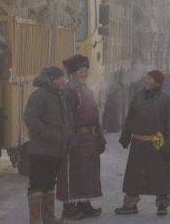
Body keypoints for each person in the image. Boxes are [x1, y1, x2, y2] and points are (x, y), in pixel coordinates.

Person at [115, 70, 170, 216]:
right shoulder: (138, 96)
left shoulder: (167, 100)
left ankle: (162, 204)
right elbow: (130, 117)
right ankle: (130, 204)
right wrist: (125, 137)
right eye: (147, 77)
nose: (146, 80)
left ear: (158, 83)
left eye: (150, 79)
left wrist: (169, 147)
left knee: (161, 176)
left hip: (158, 145)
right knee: (133, 176)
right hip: (138, 144)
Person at [56, 55, 105, 220]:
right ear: (72, 73)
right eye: (80, 71)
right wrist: (70, 139)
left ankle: (84, 204)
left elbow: (95, 114)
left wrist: (100, 136)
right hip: (76, 139)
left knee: (88, 174)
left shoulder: (86, 89)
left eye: (85, 71)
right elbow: (66, 117)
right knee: (73, 173)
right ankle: (69, 208)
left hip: (89, 140)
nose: (84, 74)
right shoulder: (69, 90)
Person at [24, 66, 71, 224]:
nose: (63, 80)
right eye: (60, 78)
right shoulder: (38, 96)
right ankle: (36, 220)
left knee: (49, 184)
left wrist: (67, 138)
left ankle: (49, 218)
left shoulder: (61, 96)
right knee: (37, 185)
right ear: (50, 80)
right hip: (40, 151)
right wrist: (49, 135)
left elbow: (66, 120)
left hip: (56, 151)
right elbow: (30, 119)